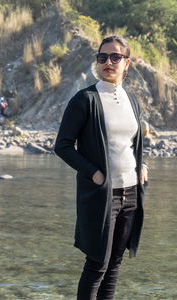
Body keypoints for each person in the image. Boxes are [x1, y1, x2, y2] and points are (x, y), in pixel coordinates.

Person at [55, 35, 148, 300]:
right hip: (101, 195)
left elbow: (131, 142)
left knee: (115, 266)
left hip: (130, 193)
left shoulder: (133, 101)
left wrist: (142, 164)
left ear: (127, 63)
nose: (108, 62)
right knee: (97, 264)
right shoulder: (84, 100)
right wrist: (94, 174)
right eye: (102, 57)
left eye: (115, 57)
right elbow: (62, 146)